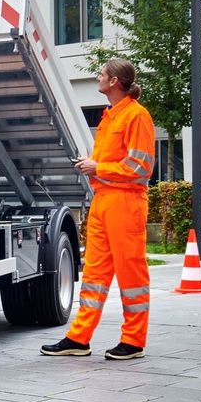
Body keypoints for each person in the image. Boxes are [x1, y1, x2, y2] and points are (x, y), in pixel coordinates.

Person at [42, 58, 156, 360]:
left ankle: (133, 342)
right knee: (94, 273)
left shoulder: (136, 116)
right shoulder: (110, 117)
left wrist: (97, 166)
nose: (98, 77)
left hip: (125, 202)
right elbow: (116, 165)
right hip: (104, 201)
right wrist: (93, 169)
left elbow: (140, 167)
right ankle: (79, 339)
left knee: (131, 273)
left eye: (102, 73)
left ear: (115, 81)